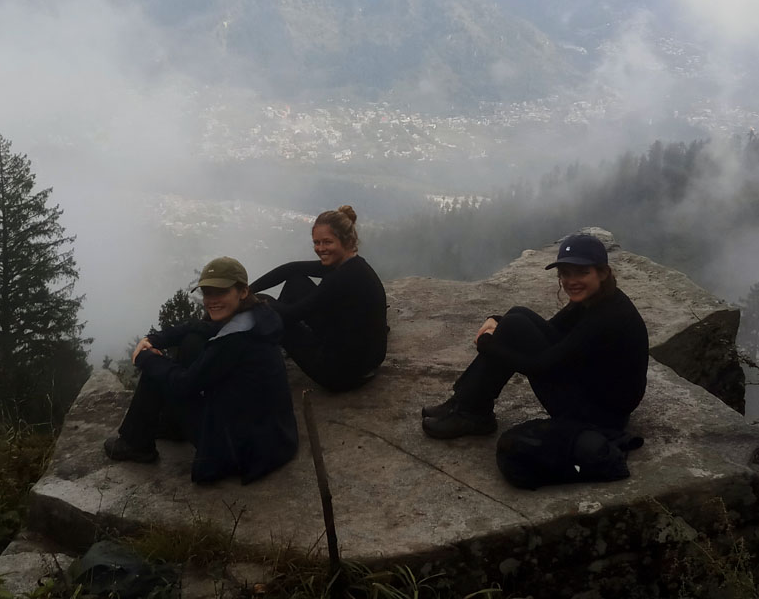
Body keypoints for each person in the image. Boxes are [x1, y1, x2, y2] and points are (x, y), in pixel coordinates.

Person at [421, 233, 649, 439]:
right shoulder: (598, 298)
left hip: (597, 416)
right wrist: (497, 320)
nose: (571, 281)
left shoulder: (607, 317)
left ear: (603, 272)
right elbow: (548, 329)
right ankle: (466, 405)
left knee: (515, 325)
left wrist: (487, 344)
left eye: (582, 272)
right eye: (565, 273)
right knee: (517, 316)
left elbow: (540, 365)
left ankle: (470, 410)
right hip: (591, 389)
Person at [103, 256, 298, 485]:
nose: (212, 300)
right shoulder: (257, 315)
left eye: (220, 292)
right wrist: (154, 339)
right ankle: (174, 427)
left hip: (242, 452)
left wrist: (146, 358)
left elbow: (184, 384)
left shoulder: (234, 340)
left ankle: (135, 444)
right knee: (192, 340)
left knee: (158, 373)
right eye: (207, 293)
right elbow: (199, 327)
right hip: (273, 438)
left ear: (242, 292)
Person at [249, 205, 388, 392]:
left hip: (339, 374)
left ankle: (263, 359)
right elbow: (292, 269)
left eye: (327, 242)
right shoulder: (352, 265)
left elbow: (290, 315)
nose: (320, 248)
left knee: (268, 313)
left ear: (345, 241)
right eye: (316, 243)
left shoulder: (341, 278)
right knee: (296, 282)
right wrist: (247, 290)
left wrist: (255, 299)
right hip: (362, 360)